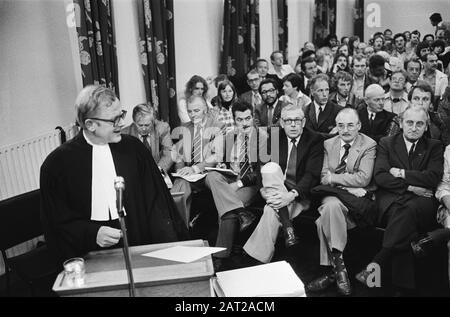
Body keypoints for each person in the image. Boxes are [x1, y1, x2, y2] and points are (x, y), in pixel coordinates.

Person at [40, 85, 189, 263]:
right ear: (90, 124)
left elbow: (157, 204)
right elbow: (57, 221)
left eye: (121, 114)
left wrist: (170, 250)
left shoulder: (135, 149)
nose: (121, 123)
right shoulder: (58, 165)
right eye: (114, 119)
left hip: (141, 246)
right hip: (91, 255)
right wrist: (91, 233)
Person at [356, 106, 444, 295]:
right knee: (404, 218)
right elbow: (381, 176)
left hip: (423, 203)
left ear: (426, 126)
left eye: (420, 124)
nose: (414, 127)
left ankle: (377, 264)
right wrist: (411, 186)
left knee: (407, 211)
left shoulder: (434, 146)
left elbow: (433, 177)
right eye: (410, 122)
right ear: (402, 123)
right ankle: (402, 289)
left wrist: (402, 173)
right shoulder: (386, 143)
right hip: (393, 198)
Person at [306, 108, 377, 296]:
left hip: (355, 200)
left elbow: (363, 179)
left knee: (326, 215)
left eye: (350, 125)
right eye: (340, 125)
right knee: (331, 205)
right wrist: (347, 183)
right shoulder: (329, 144)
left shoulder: (369, 144)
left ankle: (332, 271)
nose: (345, 130)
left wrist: (335, 179)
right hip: (333, 194)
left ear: (359, 126)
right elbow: (323, 177)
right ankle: (341, 271)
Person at [243, 104, 324, 263]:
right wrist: (261, 190)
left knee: (270, 210)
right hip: (276, 188)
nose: (293, 125)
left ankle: (257, 260)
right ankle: (288, 229)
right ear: (281, 122)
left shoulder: (314, 140)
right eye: (288, 121)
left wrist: (291, 195)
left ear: (304, 121)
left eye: (297, 120)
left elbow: (311, 175)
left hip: (300, 194)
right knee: (270, 167)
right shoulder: (274, 137)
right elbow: (261, 168)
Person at [208, 101, 268, 268]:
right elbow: (226, 164)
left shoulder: (263, 137)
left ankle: (221, 255)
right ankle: (242, 213)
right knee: (212, 176)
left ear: (253, 117)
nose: (245, 123)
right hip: (231, 178)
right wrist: (222, 166)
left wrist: (240, 183)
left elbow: (261, 171)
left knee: (227, 206)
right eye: (240, 120)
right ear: (234, 120)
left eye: (248, 118)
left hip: (251, 183)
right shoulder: (230, 136)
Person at [170, 95, 224, 226]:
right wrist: (181, 170)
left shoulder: (218, 126)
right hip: (191, 176)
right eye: (189, 111)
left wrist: (194, 169)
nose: (192, 115)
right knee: (179, 186)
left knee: (212, 178)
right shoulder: (185, 128)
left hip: (208, 172)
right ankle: (181, 230)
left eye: (196, 110)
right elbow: (180, 155)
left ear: (205, 109)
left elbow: (216, 156)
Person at [122, 103, 173, 172]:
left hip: (158, 171)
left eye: (147, 125)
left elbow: (169, 153)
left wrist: (158, 171)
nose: (143, 129)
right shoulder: (125, 134)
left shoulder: (162, 128)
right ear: (134, 122)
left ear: (153, 121)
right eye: (140, 125)